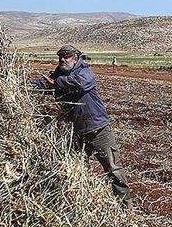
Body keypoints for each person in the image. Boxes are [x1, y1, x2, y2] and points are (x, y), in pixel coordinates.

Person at [33, 44, 131, 206]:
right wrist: (22, 86)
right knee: (77, 169)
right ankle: (82, 204)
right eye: (60, 57)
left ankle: (124, 207)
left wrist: (56, 83)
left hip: (98, 130)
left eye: (67, 56)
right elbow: (44, 84)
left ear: (76, 58)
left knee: (114, 170)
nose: (63, 60)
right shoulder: (59, 74)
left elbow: (80, 83)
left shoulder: (84, 72)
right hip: (76, 133)